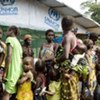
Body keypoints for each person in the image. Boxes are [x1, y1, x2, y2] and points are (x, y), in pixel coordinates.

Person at [56, 17, 79, 100]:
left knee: (68, 94)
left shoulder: (67, 37)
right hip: (72, 69)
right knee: (72, 92)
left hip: (67, 70)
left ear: (62, 25)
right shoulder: (73, 35)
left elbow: (65, 55)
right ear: (72, 25)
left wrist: (56, 60)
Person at [2, 26, 23, 100]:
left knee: (6, 93)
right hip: (17, 72)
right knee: (10, 94)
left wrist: (5, 71)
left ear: (12, 31)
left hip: (11, 71)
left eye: (7, 30)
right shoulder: (18, 43)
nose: (6, 33)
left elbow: (9, 56)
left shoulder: (9, 39)